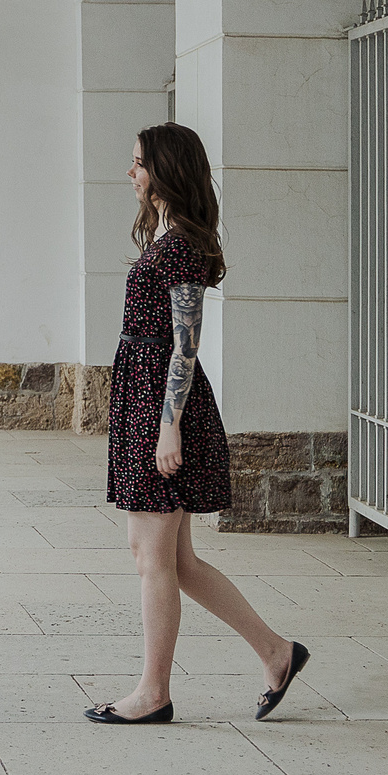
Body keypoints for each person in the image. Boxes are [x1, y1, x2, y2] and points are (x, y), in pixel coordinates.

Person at [87, 121, 310, 726]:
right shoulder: (167, 236)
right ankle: (277, 653)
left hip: (162, 407)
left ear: (165, 171)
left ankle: (152, 693)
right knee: (176, 561)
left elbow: (185, 347)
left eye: (139, 162)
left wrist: (169, 427)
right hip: (145, 401)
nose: (130, 172)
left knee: (151, 556)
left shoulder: (181, 245)